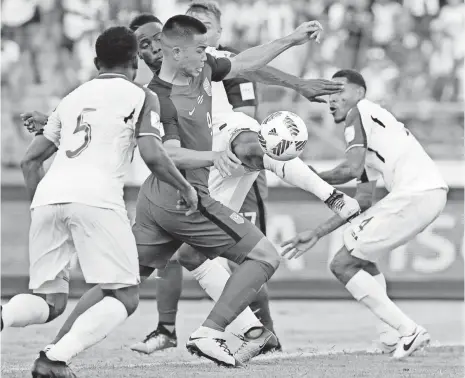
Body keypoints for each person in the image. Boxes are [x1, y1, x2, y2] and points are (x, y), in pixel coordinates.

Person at [21, 14, 357, 367]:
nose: (207, 54)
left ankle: (53, 353)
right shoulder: (155, 99)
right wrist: (213, 156)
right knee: (264, 257)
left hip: (155, 202)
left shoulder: (202, 67)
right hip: (181, 196)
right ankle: (210, 332)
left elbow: (245, 62)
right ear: (177, 52)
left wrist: (291, 39)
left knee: (119, 285)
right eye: (199, 50)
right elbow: (168, 152)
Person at [0, 26, 197, 378]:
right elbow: (153, 154)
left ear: (95, 62)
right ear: (135, 61)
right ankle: (53, 360)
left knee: (50, 302)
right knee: (125, 297)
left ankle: (5, 316)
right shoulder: (141, 96)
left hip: (48, 197)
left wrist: (42, 206)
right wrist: (184, 186)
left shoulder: (71, 97)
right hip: (97, 198)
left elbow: (30, 161)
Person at [281, 69, 448, 360]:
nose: (332, 99)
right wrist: (317, 233)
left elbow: (347, 169)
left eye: (339, 91)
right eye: (329, 93)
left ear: (360, 93)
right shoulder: (373, 135)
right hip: (426, 194)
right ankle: (389, 336)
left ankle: (408, 330)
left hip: (416, 193)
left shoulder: (359, 113)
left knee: (342, 264)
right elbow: (363, 201)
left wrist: (307, 176)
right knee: (360, 255)